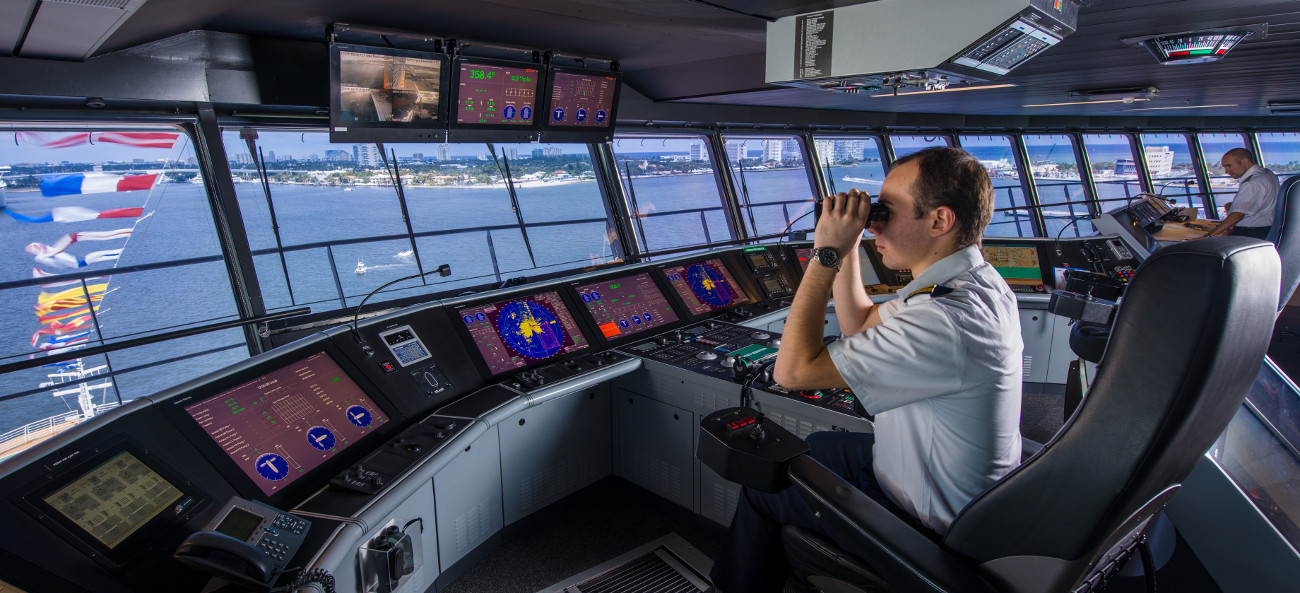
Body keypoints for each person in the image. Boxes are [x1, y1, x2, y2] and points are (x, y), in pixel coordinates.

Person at [709, 147, 1024, 593]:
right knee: (815, 445)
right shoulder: (968, 283)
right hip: (958, 490)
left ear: (939, 221)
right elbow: (859, 324)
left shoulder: (942, 320)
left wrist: (826, 254)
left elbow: (792, 372)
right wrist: (851, 246)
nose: (875, 222)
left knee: (767, 479)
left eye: (886, 211)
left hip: (931, 522)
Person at [1206, 148, 1280, 240]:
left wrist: (1208, 237)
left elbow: (1237, 215)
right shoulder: (1268, 173)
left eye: (1229, 166)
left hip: (1250, 234)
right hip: (1267, 231)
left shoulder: (1252, 183)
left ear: (1245, 161)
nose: (1226, 171)